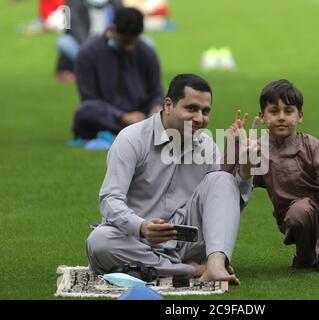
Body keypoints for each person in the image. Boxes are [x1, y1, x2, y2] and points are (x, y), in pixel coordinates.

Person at [86, 74, 254, 284]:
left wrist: (246, 171)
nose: (200, 118)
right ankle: (190, 269)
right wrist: (142, 226)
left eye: (205, 111)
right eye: (191, 108)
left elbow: (223, 204)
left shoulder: (207, 144)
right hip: (136, 239)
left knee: (222, 179)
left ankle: (215, 266)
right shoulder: (131, 139)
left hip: (186, 240)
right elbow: (109, 200)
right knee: (99, 242)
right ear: (168, 105)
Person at [223, 79, 319, 274]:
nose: (281, 117)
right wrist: (236, 146)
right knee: (300, 210)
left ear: (299, 116)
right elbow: (231, 184)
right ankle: (305, 254)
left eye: (288, 111)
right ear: (262, 116)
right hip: (294, 218)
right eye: (274, 111)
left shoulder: (310, 144)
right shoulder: (258, 149)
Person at [72, 7, 164, 140]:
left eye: (134, 42)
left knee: (174, 111)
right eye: (126, 42)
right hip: (108, 115)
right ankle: (140, 132)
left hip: (142, 115)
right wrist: (122, 116)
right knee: (84, 113)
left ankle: (140, 130)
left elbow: (156, 92)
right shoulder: (88, 52)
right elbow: (89, 98)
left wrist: (155, 109)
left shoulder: (146, 52)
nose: (130, 47)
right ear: (113, 30)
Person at [56, 0, 123, 81]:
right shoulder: (72, 2)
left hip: (111, 43)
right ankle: (95, 67)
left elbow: (123, 24)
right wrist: (91, 47)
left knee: (141, 41)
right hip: (85, 44)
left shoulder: (115, 3)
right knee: (64, 42)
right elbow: (74, 28)